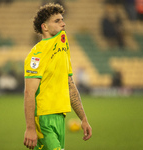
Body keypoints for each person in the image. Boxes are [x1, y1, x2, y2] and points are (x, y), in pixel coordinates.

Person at [23, 3, 92, 150]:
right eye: (57, 21)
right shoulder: (36, 55)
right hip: (43, 118)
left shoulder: (62, 43)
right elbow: (29, 92)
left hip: (60, 116)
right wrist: (30, 128)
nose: (63, 23)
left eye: (62, 19)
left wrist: (83, 119)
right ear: (45, 27)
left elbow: (70, 85)